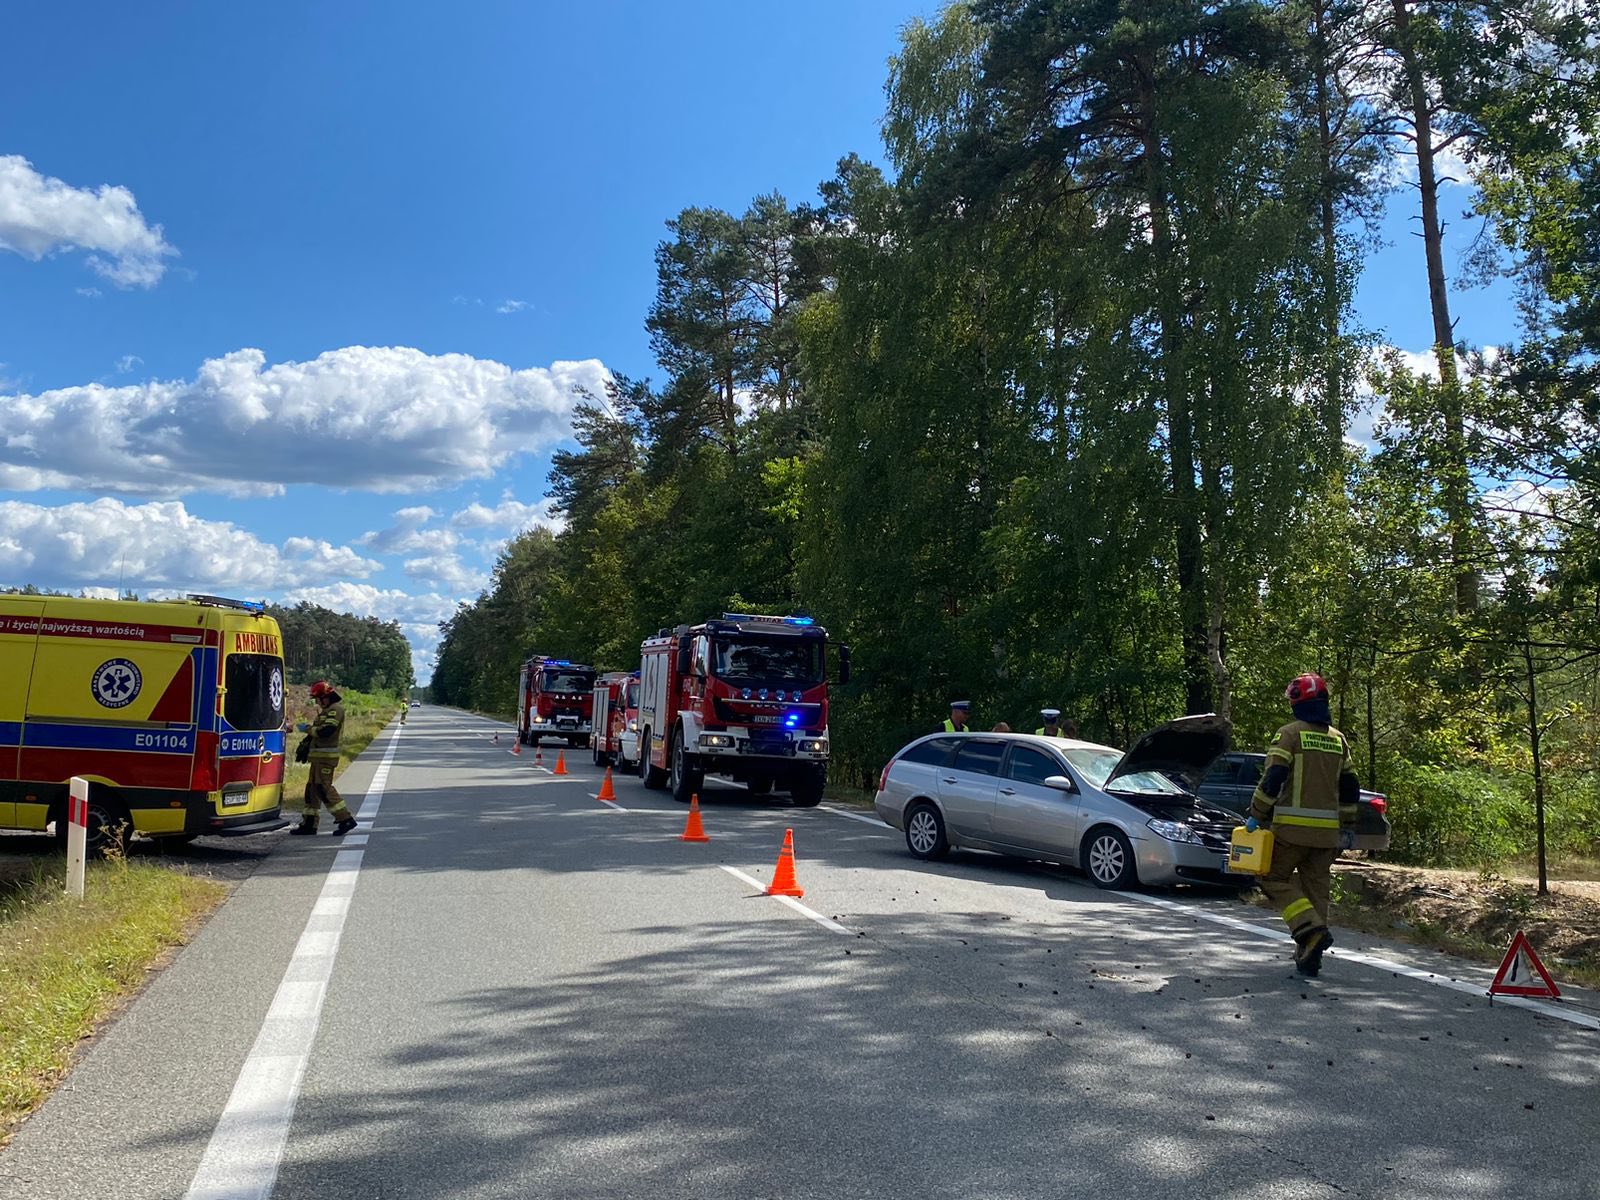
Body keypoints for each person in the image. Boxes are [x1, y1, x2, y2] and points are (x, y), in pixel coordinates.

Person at [1247, 672, 1360, 976]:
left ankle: (1308, 929)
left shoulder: (1290, 734)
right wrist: (1347, 826)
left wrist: (1257, 814)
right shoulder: (1338, 740)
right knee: (1316, 891)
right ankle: (1310, 955)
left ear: (1297, 703)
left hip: (1290, 832)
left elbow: (1273, 777)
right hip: (1327, 837)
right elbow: (1351, 786)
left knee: (1270, 877)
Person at [292, 681, 359, 837]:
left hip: (326, 759)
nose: (317, 702)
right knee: (312, 789)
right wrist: (306, 744)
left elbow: (326, 731)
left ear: (326, 697)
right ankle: (309, 824)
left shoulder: (336, 710)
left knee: (323, 788)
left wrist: (308, 729)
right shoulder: (326, 711)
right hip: (318, 758)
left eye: (318, 698)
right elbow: (318, 733)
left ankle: (345, 819)